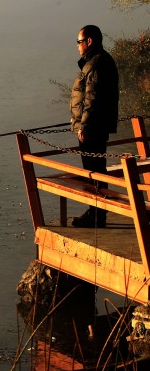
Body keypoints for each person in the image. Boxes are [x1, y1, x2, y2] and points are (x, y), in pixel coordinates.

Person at [70, 25, 120, 228]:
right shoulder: (96, 61)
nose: (78, 47)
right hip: (95, 125)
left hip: (93, 127)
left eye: (79, 42)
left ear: (89, 41)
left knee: (93, 171)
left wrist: (85, 125)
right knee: (95, 170)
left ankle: (96, 214)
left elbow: (92, 97)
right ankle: (96, 212)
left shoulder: (96, 63)